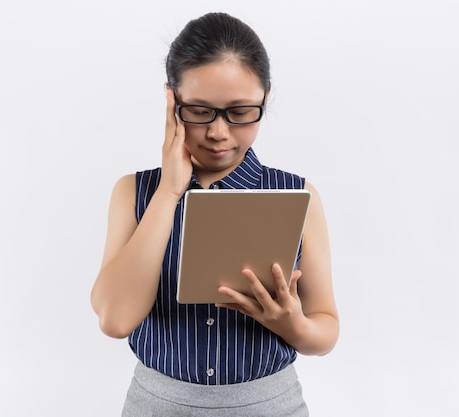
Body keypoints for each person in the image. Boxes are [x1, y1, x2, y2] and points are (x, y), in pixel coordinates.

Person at [90, 11, 339, 416]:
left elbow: (326, 328)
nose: (219, 133)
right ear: (172, 100)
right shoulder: (134, 193)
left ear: (265, 98)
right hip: (158, 406)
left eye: (240, 113)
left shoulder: (298, 194)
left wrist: (293, 325)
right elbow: (115, 321)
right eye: (199, 111)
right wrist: (169, 191)